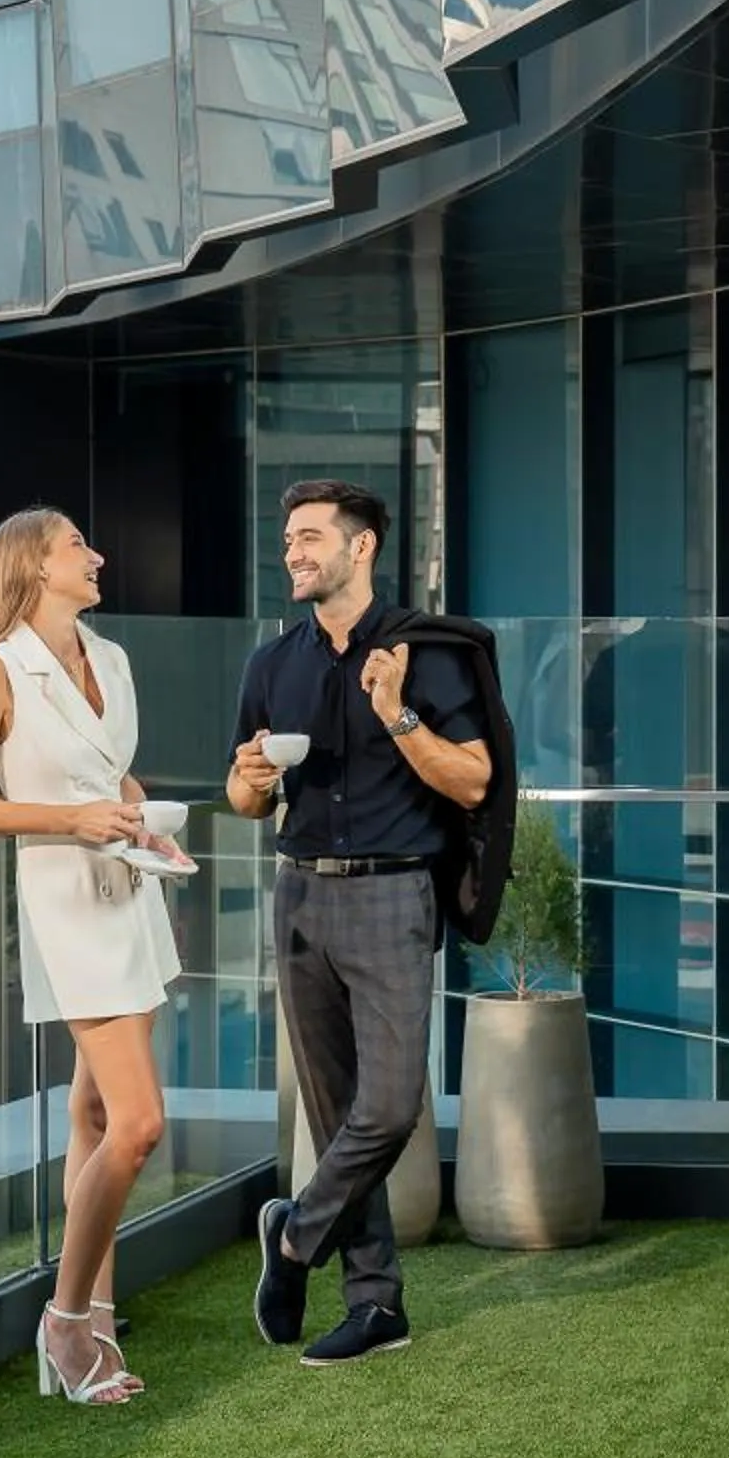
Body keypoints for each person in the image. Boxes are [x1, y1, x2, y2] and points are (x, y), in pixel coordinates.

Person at [0, 507, 187, 1406]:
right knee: (139, 1124)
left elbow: (115, 780)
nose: (97, 554)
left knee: (90, 1114)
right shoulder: (1, 672)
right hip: (70, 911)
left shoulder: (107, 658)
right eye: (79, 544)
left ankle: (98, 1315)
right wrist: (72, 820)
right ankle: (66, 1322)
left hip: (132, 895)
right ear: (35, 565)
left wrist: (146, 829)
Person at [227, 480, 492, 1367]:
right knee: (336, 1107)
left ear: (362, 545)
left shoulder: (428, 656)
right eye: (287, 539)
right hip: (300, 893)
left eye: (308, 538)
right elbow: (241, 794)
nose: (293, 553)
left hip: (391, 895)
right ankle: (375, 1304)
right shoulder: (273, 664)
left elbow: (474, 782)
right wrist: (253, 785)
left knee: (388, 1105)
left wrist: (398, 717)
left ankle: (295, 1237)